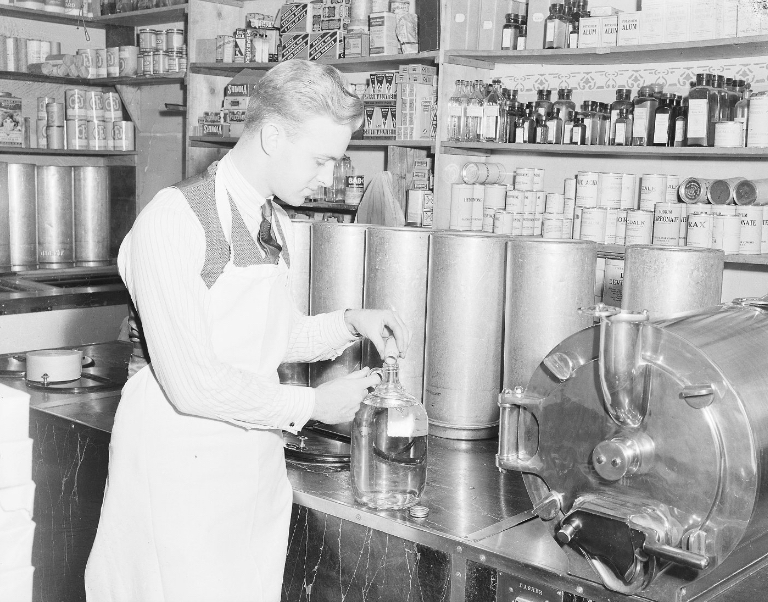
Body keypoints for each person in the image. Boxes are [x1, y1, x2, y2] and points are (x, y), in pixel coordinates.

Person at [85, 59, 410, 602]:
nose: (329, 177)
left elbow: (270, 339)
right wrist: (314, 404)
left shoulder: (268, 220)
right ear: (273, 135)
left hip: (248, 464)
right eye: (322, 159)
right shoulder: (174, 220)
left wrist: (350, 323)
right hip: (179, 471)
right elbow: (193, 385)